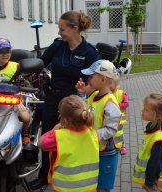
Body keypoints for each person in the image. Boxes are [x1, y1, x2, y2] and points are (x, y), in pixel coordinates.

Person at [29, 10, 99, 190]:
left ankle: (71, 177)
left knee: (74, 140)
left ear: (75, 28)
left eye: (62, 29)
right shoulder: (57, 46)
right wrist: (26, 69)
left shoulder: (89, 52)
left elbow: (95, 81)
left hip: (74, 104)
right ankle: (44, 176)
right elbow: (41, 63)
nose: (59, 33)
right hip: (53, 99)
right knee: (47, 136)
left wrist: (85, 92)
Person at [76, 60, 122, 192]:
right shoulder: (95, 95)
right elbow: (85, 108)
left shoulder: (110, 103)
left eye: (91, 76)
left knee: (103, 186)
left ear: (103, 79)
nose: (88, 79)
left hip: (106, 152)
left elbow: (111, 129)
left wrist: (91, 135)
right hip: (95, 148)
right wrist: (80, 93)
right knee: (95, 182)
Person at [38, 95, 99, 191]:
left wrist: (54, 129)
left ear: (63, 118)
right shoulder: (92, 132)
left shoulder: (59, 136)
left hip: (66, 187)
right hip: (88, 185)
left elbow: (41, 144)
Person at [132, 93, 162, 192]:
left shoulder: (159, 139)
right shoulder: (155, 128)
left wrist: (149, 183)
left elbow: (155, 164)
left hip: (157, 184)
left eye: (146, 109)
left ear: (158, 116)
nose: (142, 111)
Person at [0, 38, 31, 144]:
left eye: (8, 51)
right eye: (1, 52)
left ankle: (25, 132)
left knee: (25, 117)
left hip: (13, 98)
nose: (5, 55)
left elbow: (27, 80)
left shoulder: (16, 66)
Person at [110, 74, 129, 155]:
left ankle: (122, 146)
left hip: (120, 119)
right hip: (110, 118)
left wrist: (118, 106)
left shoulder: (121, 93)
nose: (109, 85)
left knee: (119, 133)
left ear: (116, 85)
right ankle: (113, 144)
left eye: (111, 83)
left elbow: (126, 103)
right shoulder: (107, 93)